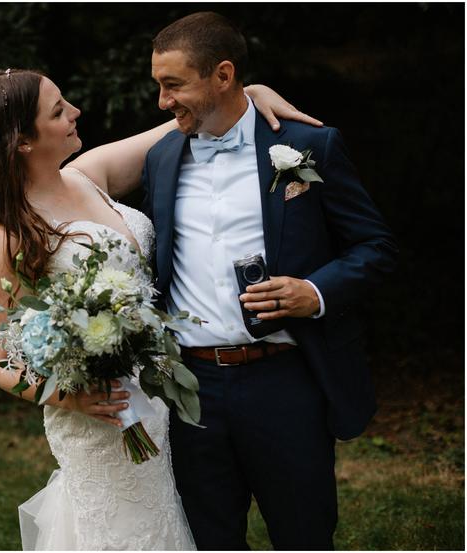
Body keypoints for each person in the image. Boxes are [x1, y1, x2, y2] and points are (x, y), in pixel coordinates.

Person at [0, 67, 319, 550]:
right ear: (23, 141)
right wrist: (72, 396)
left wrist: (244, 93)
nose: (75, 112)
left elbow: (180, 125)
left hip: (164, 403)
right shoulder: (11, 235)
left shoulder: (88, 175)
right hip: (102, 418)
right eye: (58, 110)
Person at [136, 12, 399, 550]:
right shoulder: (161, 159)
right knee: (209, 538)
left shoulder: (307, 147)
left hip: (285, 379)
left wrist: (316, 292)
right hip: (193, 390)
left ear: (224, 75)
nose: (163, 101)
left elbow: (376, 247)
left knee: (303, 533)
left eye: (174, 85)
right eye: (159, 86)